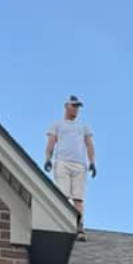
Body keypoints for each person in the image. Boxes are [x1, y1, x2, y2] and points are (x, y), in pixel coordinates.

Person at [44, 95, 96, 241]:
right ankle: (62, 225)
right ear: (66, 106)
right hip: (62, 162)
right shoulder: (57, 124)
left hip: (80, 164)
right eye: (74, 106)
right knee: (63, 195)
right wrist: (47, 158)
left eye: (78, 106)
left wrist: (92, 161)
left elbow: (89, 144)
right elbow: (51, 142)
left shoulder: (83, 127)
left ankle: (79, 227)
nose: (76, 109)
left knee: (78, 198)